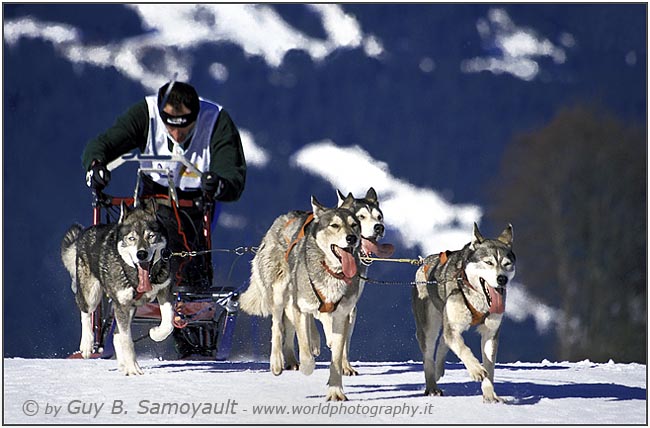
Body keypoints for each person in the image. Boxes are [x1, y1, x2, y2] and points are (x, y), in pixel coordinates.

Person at [82, 81, 247, 290]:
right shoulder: (146, 113)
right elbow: (103, 144)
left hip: (196, 200)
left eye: (185, 127)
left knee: (187, 246)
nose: (177, 135)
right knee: (149, 227)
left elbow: (232, 174)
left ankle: (183, 286)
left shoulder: (216, 120)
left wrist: (220, 184)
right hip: (152, 194)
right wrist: (96, 165)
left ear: (196, 117)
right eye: (170, 126)